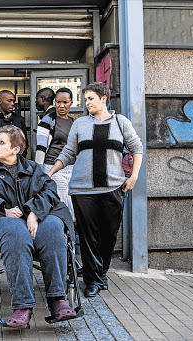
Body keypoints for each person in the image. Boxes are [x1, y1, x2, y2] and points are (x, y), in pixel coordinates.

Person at [0, 125, 77, 328]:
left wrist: (34, 212)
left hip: (35, 217)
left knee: (53, 227)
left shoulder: (33, 169)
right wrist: (3, 209)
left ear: (16, 149)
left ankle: (57, 300)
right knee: (16, 232)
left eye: (2, 143)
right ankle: (23, 306)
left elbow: (50, 191)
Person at [47, 82, 143, 298]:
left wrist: (134, 176)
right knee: (89, 236)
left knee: (108, 235)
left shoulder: (121, 122)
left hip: (113, 188)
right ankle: (93, 280)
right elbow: (69, 152)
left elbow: (137, 148)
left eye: (90, 98)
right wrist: (50, 172)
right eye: (86, 99)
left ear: (103, 98)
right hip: (82, 189)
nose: (87, 103)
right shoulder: (80, 124)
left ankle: (101, 273)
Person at [35, 87, 75, 220]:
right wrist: (39, 173)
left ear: (71, 103)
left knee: (73, 201)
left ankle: (69, 233)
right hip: (52, 168)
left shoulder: (73, 122)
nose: (61, 106)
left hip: (71, 170)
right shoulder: (47, 121)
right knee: (63, 199)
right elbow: (40, 149)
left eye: (65, 102)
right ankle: (65, 229)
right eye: (58, 102)